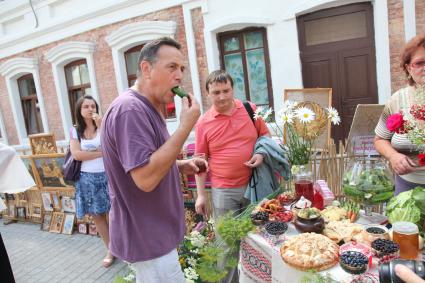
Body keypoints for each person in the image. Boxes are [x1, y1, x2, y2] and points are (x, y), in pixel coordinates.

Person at [101, 37, 203, 283]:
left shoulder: (148, 106)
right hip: (147, 235)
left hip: (154, 232)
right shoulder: (130, 111)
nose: (179, 76)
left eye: (182, 69)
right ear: (146, 69)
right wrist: (185, 128)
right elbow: (145, 178)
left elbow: (138, 164)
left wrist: (179, 166)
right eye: (172, 67)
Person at [194, 70, 270, 219]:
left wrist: (261, 153)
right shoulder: (203, 124)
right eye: (216, 92)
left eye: (226, 91)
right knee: (227, 239)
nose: (222, 97)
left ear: (232, 89)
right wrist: (201, 195)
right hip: (224, 191)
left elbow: (266, 135)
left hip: (255, 183)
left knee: (257, 234)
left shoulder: (250, 109)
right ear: (208, 94)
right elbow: (199, 163)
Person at [375, 33, 425, 195]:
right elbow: (380, 139)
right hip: (407, 188)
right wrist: (393, 156)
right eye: (419, 63)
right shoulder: (397, 100)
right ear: (409, 68)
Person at [69, 95, 113, 267]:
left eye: (92, 106)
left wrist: (102, 125)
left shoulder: (103, 125)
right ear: (79, 111)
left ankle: (120, 247)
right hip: (87, 178)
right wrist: (101, 152)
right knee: (98, 217)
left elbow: (111, 145)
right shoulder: (75, 131)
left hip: (107, 175)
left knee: (113, 215)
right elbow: (77, 154)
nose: (90, 109)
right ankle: (110, 249)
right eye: (86, 106)